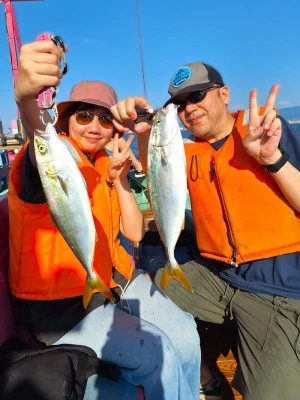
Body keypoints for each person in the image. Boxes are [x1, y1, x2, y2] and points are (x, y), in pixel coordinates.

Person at [8, 39, 201, 400]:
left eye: (104, 119)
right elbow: (39, 142)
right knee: (159, 356)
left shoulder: (104, 164)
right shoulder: (52, 159)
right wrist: (26, 100)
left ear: (116, 127)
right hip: (59, 308)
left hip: (111, 283)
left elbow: (132, 233)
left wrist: (121, 179)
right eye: (83, 115)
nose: (94, 126)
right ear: (65, 120)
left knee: (187, 336)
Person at [110, 62, 300, 400]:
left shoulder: (265, 129)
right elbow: (161, 183)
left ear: (224, 94)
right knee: (146, 298)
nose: (188, 109)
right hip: (219, 274)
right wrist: (142, 134)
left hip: (277, 284)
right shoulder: (187, 153)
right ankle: (208, 379)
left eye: (197, 96)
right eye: (178, 104)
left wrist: (273, 160)